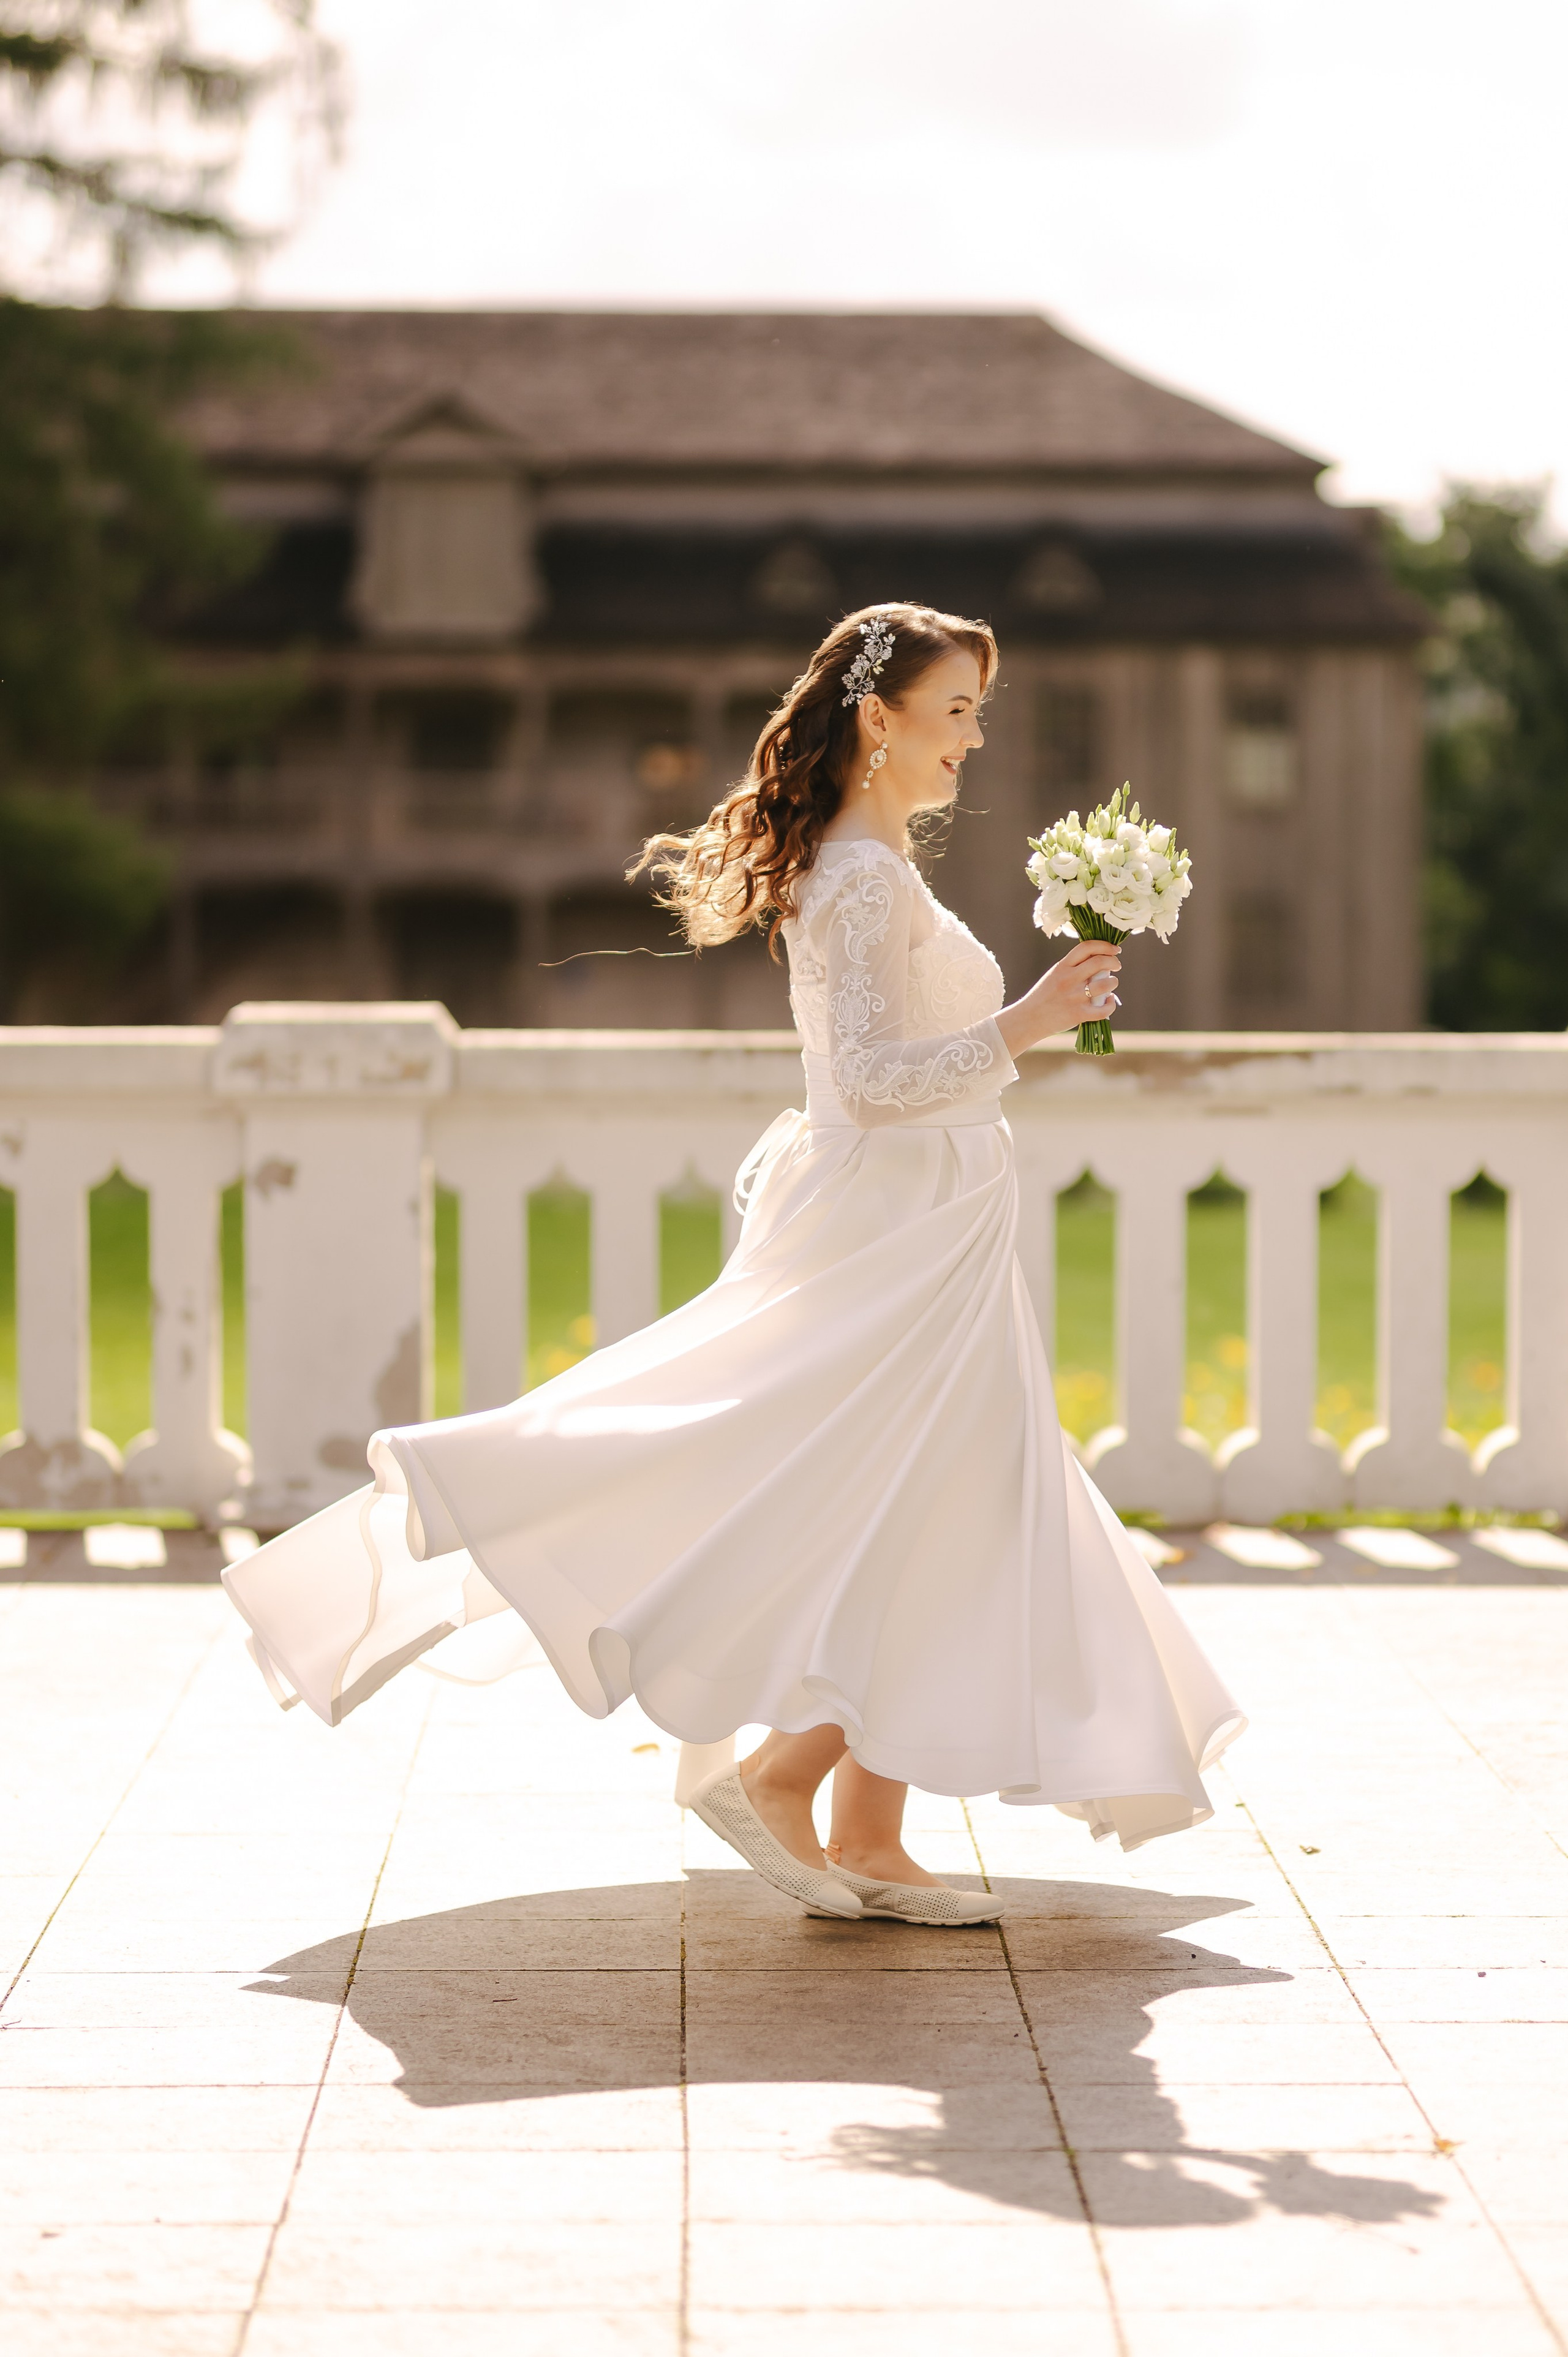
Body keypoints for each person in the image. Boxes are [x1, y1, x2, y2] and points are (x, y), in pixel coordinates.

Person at [223, 603, 1243, 1928]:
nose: (972, 741)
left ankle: (870, 1827)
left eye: (975, 715)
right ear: (878, 718)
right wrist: (1029, 1020)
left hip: (939, 1223)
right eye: (953, 714)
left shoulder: (880, 859)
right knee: (923, 1495)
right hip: (887, 1228)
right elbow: (868, 1084)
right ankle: (778, 1777)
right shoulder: (860, 876)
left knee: (953, 1506)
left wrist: (1030, 1024)